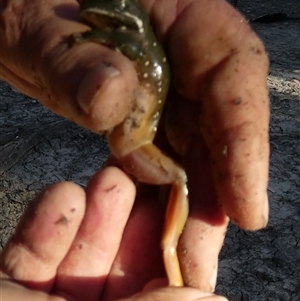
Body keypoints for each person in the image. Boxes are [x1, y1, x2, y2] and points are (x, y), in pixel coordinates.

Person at [0, 0, 270, 300]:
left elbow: (132, 46)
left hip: (137, 141)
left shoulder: (134, 38)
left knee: (179, 179)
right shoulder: (133, 39)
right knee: (172, 180)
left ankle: (169, 247)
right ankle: (169, 255)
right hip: (134, 138)